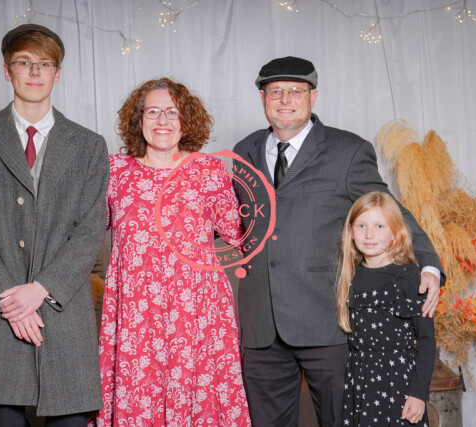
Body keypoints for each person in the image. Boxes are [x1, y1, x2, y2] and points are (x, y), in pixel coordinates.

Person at [231, 56, 445, 427]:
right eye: (276, 92)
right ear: (262, 98)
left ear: (313, 96)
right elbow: (234, 219)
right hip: (261, 324)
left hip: (327, 319)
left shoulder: (347, 151)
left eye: (296, 91)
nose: (285, 100)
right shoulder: (243, 151)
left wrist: (429, 263)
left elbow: (389, 209)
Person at [0, 24, 109, 426]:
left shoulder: (89, 145)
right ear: (7, 70)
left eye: (45, 63)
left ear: (57, 73)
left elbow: (90, 230)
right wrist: (11, 304)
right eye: (24, 62)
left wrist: (41, 289)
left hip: (63, 314)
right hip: (1, 315)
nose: (35, 71)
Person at [95, 77, 251, 426]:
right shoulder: (115, 171)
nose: (162, 120)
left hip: (197, 312)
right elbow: (83, 233)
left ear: (186, 120)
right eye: (153, 111)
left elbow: (239, 235)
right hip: (136, 313)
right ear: (138, 119)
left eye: (172, 112)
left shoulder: (209, 171)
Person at [337, 191, 435, 426]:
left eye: (379, 226)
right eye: (361, 225)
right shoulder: (349, 277)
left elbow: (427, 341)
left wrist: (419, 394)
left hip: (399, 383)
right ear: (350, 231)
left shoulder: (410, 277)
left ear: (395, 233)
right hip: (359, 383)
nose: (369, 234)